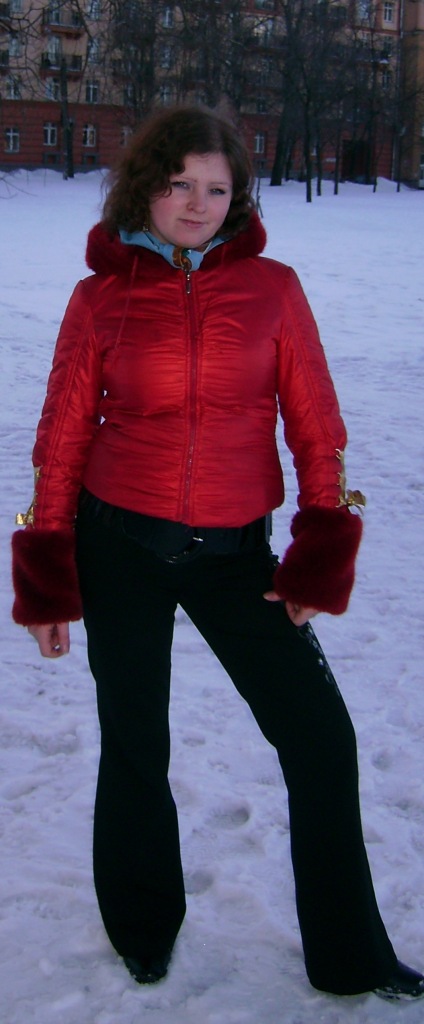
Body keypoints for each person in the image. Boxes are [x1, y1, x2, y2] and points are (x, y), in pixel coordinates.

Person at [11, 105, 423, 1001]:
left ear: (237, 199)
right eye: (178, 183)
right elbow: (62, 433)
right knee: (135, 742)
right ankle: (143, 930)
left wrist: (319, 549)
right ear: (145, 189)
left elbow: (315, 421)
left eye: (216, 188)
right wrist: (48, 572)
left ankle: (351, 955)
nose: (197, 203)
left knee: (320, 738)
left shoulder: (274, 290)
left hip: (238, 552)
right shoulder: (99, 298)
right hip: (120, 540)